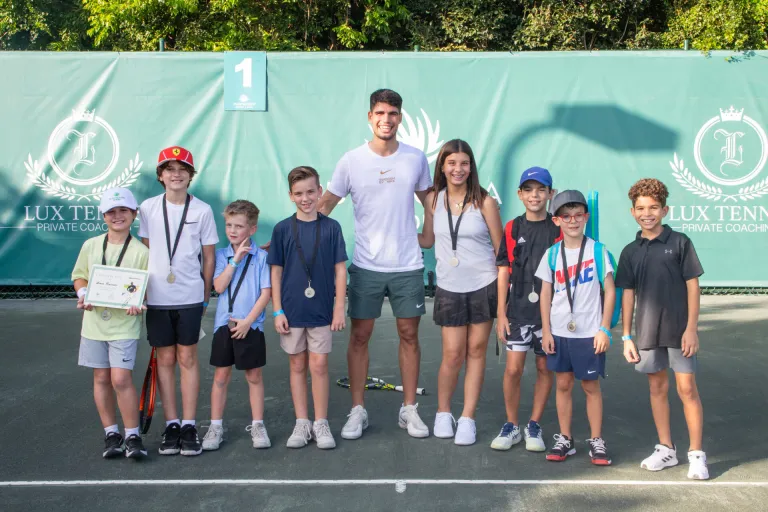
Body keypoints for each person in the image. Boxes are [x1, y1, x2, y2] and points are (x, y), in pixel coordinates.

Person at [318, 88, 432, 439]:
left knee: (409, 335)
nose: (387, 119)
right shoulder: (351, 160)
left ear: (400, 117)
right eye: (380, 113)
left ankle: (408, 409)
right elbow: (324, 205)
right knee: (360, 336)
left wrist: (427, 235)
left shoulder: (415, 158)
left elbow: (430, 199)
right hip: (366, 265)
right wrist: (288, 235)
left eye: (393, 113)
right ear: (370, 117)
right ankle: (357, 410)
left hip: (408, 265)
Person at [616, 178, 708, 480]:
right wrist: (627, 336)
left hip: (679, 332)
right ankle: (666, 450)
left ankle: (696, 454)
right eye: (641, 208)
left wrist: (691, 328)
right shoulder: (630, 251)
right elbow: (627, 293)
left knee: (686, 389)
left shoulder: (680, 243)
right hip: (646, 333)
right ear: (632, 212)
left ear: (664, 209)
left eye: (653, 207)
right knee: (657, 388)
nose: (647, 213)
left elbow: (692, 286)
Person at [417, 139, 502, 446]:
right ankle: (443, 413)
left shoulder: (485, 203)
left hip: (483, 284)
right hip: (449, 287)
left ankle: (467, 417)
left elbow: (500, 250)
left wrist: (503, 299)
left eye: (464, 163)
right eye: (452, 163)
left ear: (471, 167)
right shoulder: (432, 200)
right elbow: (427, 239)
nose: (458, 169)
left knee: (476, 352)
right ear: (442, 166)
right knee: (452, 355)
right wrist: (390, 234)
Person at [139, 146, 219, 456]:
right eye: (169, 168)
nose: (176, 173)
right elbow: (145, 252)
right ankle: (171, 423)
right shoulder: (147, 208)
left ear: (190, 176)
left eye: (182, 168)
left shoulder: (202, 210)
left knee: (187, 359)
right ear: (160, 176)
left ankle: (189, 424)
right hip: (157, 298)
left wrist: (205, 292)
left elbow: (209, 256)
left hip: (189, 297)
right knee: (166, 360)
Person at [269, 166, 348, 449]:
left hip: (322, 310)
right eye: (299, 194)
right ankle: (302, 422)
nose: (306, 198)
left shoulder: (331, 227)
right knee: (297, 364)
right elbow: (275, 273)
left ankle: (321, 422)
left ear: (319, 192)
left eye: (311, 192)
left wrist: (340, 307)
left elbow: (340, 270)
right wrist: (277, 311)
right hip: (291, 311)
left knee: (319, 364)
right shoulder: (282, 229)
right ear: (291, 196)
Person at [535, 190, 615, 465]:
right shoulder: (552, 253)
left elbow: (611, 290)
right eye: (566, 216)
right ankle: (565, 438)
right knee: (564, 383)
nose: (572, 221)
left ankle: (596, 439)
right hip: (559, 331)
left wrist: (604, 328)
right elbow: (546, 293)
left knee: (590, 386)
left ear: (586, 217)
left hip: (589, 332)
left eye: (578, 215)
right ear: (556, 220)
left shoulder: (597, 250)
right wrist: (546, 330)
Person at [72, 187, 149, 459]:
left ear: (134, 214)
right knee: (101, 377)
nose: (118, 216)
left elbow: (143, 288)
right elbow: (79, 276)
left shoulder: (141, 251)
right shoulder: (91, 245)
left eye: (123, 211)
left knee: (120, 378)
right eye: (112, 212)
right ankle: (111, 434)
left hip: (124, 324)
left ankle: (133, 435)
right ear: (104, 216)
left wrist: (139, 301)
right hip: (93, 323)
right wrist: (83, 293)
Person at [491, 167, 561, 452]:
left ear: (550, 194)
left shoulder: (557, 228)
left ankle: (534, 424)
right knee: (513, 370)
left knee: (545, 367)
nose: (535, 195)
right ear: (519, 194)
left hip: (550, 315)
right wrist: (500, 313)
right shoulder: (511, 228)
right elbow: (503, 271)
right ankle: (512, 425)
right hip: (517, 312)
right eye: (529, 190)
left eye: (541, 189)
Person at [201, 200, 272, 451]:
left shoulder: (262, 257)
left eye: (239, 226)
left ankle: (258, 424)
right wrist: (235, 260)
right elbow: (218, 287)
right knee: (220, 376)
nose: (232, 230)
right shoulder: (221, 255)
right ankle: (216, 426)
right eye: (229, 225)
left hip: (250, 326)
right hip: (224, 324)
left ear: (251, 229)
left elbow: (266, 294)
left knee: (254, 375)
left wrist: (249, 322)